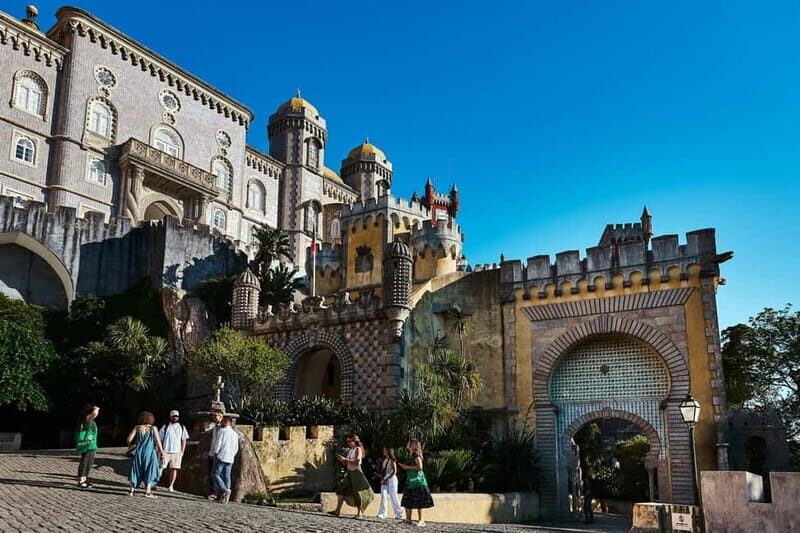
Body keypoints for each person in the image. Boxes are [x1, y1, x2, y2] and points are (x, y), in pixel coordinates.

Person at [331, 434, 374, 519]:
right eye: (348, 441)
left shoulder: (358, 449)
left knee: (358, 492)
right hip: (350, 472)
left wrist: (345, 459)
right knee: (341, 489)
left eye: (350, 441)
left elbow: (357, 461)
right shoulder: (351, 450)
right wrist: (342, 460)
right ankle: (337, 510)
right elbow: (348, 462)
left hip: (356, 473)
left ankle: (359, 513)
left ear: (355, 441)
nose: (349, 443)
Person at [126, 411, 164, 497]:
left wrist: (130, 446)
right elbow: (158, 441)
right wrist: (162, 451)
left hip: (138, 452)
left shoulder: (137, 428)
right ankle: (147, 491)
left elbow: (129, 439)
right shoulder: (153, 428)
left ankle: (131, 491)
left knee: (136, 470)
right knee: (150, 470)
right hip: (149, 452)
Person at [398, 438, 434, 527]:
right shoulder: (410, 455)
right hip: (410, 481)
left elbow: (420, 467)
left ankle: (421, 520)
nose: (407, 444)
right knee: (407, 500)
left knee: (419, 501)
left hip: (418, 481)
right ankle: (408, 519)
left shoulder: (416, 455)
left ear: (413, 445)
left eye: (409, 443)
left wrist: (407, 467)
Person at [210, 415, 239, 504]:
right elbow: (236, 447)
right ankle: (225, 497)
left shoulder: (222, 431)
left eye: (223, 421)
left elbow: (219, 443)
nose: (221, 422)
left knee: (215, 474)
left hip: (221, 456)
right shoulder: (235, 434)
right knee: (227, 476)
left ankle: (224, 489)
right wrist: (232, 455)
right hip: (230, 457)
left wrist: (215, 452)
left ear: (227, 422)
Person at [159, 410, 189, 492]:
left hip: (176, 451)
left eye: (177, 416)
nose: (175, 417)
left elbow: (184, 440)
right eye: (174, 416)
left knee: (174, 469)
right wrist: (160, 450)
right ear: (170, 417)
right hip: (165, 450)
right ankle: (154, 482)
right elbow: (160, 439)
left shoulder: (182, 427)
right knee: (161, 467)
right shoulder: (165, 427)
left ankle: (171, 485)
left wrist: (182, 451)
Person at [377, 445, 404, 520]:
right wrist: (382, 479)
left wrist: (387, 479)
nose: (383, 451)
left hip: (392, 479)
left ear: (388, 451)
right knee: (383, 495)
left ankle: (399, 513)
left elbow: (394, 471)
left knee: (393, 496)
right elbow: (383, 471)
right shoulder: (384, 460)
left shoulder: (392, 460)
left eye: (384, 450)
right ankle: (383, 513)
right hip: (385, 478)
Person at [75, 404, 100, 488]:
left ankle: (85, 478)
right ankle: (81, 480)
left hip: (91, 445)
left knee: (89, 462)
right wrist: (96, 409)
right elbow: (94, 414)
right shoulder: (86, 420)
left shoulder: (90, 421)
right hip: (87, 444)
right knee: (85, 461)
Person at [207, 408, 224, 500]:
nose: (213, 417)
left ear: (221, 417)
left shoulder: (223, 428)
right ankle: (213, 492)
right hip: (212, 453)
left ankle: (216, 492)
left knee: (217, 474)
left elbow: (220, 442)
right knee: (212, 474)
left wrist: (216, 453)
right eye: (213, 415)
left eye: (215, 415)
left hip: (218, 455)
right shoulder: (215, 427)